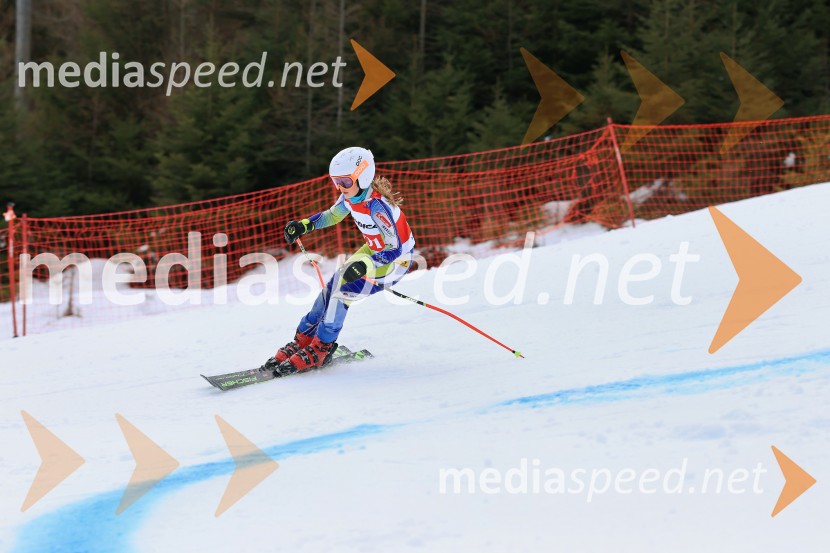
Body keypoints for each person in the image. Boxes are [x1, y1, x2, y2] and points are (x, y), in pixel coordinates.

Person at [266, 146, 415, 375]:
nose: (340, 188)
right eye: (336, 182)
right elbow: (333, 215)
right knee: (330, 289)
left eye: (344, 182)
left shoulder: (377, 206)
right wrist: (305, 225)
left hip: (395, 261)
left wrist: (364, 265)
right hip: (373, 251)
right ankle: (304, 339)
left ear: (362, 177)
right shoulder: (352, 195)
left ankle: (322, 348)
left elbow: (394, 248)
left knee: (342, 293)